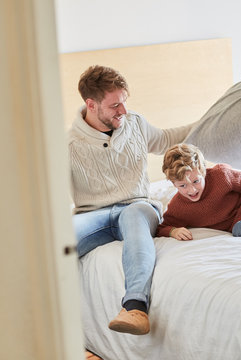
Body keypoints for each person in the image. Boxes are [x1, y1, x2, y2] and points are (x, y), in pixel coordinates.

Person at [68, 65, 193, 336]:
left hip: (137, 206)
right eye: (115, 105)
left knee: (135, 216)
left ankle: (135, 307)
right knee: (58, 241)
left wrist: (209, 123)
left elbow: (166, 140)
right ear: (91, 105)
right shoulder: (69, 145)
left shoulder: (135, 123)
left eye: (124, 102)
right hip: (94, 215)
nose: (123, 111)